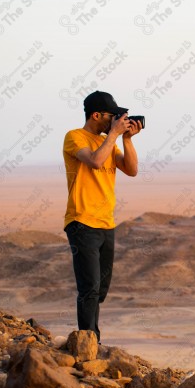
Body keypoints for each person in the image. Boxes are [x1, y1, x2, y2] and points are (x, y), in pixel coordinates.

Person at [62, 90, 142, 343]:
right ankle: (88, 341)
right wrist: (115, 135)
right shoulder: (75, 137)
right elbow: (95, 162)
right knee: (89, 287)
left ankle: (90, 338)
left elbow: (132, 170)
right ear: (96, 115)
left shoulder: (110, 141)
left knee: (100, 289)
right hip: (82, 221)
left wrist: (127, 139)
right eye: (112, 116)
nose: (115, 120)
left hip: (106, 223)